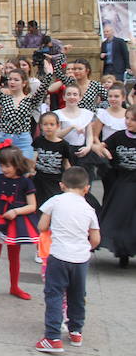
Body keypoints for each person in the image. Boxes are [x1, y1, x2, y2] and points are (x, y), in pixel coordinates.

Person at [34, 166, 100, 353]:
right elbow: (95, 239)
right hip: (80, 259)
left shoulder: (55, 201)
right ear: (86, 188)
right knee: (78, 295)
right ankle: (76, 331)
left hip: (58, 256)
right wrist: (85, 248)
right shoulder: (89, 208)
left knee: (54, 295)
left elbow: (42, 225)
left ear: (62, 185)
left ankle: (53, 337)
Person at [0, 142, 39, 302]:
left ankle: (14, 286)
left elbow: (32, 206)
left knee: (14, 256)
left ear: (17, 164)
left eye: (7, 166)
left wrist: (16, 211)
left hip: (15, 222)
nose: (4, 169)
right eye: (2, 165)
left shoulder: (26, 182)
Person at [0, 46, 52, 160]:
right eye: (10, 79)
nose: (12, 82)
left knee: (23, 173)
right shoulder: (3, 98)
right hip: (4, 138)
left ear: (24, 83)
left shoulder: (30, 100)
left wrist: (49, 75)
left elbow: (42, 90)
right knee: (3, 173)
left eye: (16, 80)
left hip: (23, 140)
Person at [93, 105, 136, 268]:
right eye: (127, 118)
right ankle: (122, 253)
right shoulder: (119, 136)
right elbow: (100, 146)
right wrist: (103, 152)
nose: (129, 122)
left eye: (133, 119)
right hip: (123, 181)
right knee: (120, 218)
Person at [32, 112, 74, 208]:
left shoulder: (64, 145)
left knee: (54, 204)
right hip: (39, 179)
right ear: (41, 126)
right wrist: (31, 170)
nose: (48, 127)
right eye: (45, 124)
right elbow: (34, 157)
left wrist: (71, 179)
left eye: (52, 124)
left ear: (58, 125)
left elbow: (66, 163)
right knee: (39, 204)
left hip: (55, 180)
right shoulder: (38, 140)